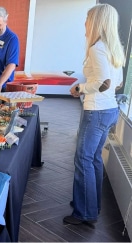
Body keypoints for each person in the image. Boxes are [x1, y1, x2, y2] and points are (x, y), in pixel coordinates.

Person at [63, 3, 124, 225]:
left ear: (97, 22)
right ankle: (90, 204)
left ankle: (84, 212)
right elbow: (117, 83)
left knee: (83, 159)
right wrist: (87, 85)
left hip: (97, 111)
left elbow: (104, 83)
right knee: (94, 159)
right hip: (109, 110)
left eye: (88, 19)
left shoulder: (97, 48)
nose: (85, 23)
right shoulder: (112, 48)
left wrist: (80, 88)